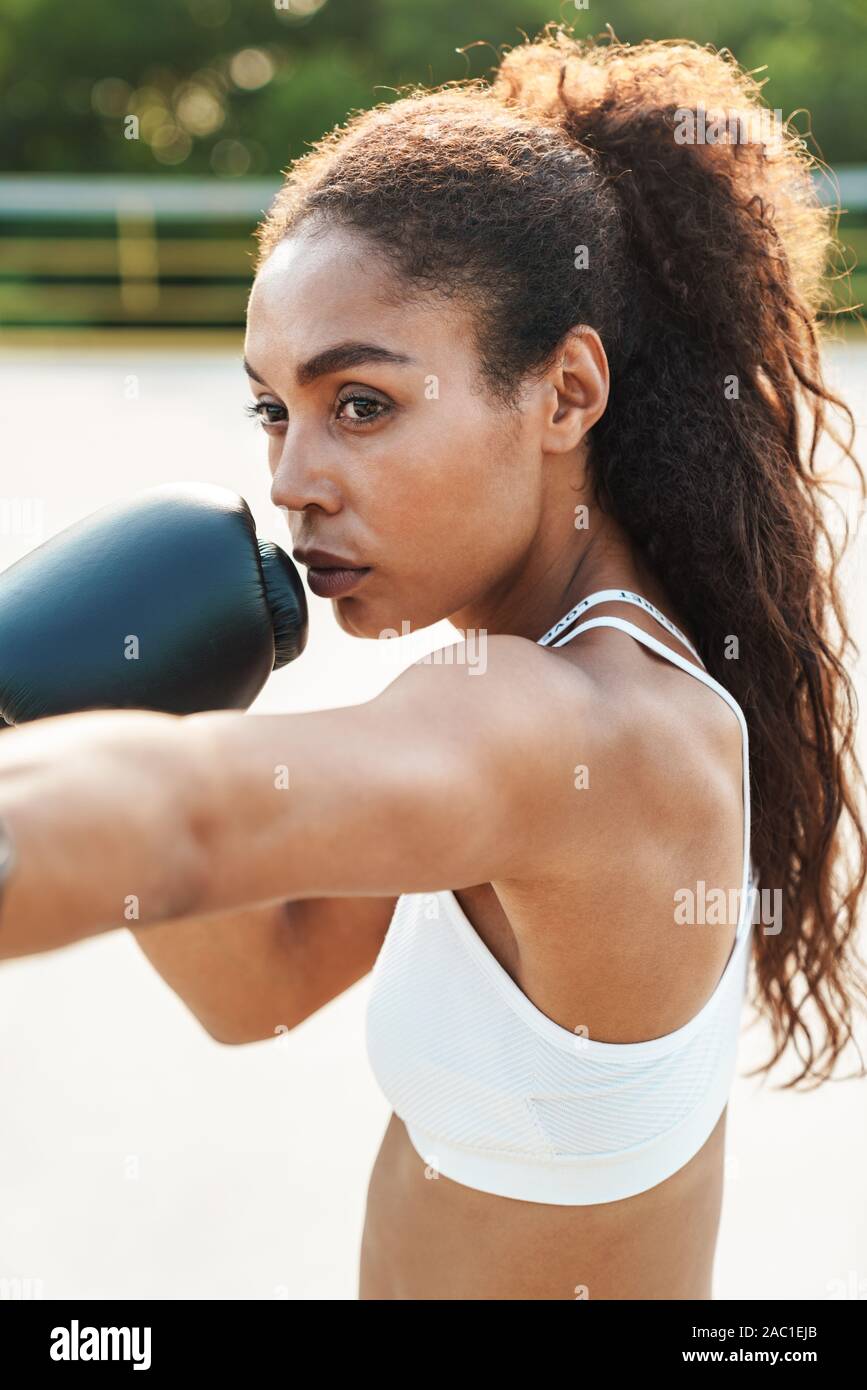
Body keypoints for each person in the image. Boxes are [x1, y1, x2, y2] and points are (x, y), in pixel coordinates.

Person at [0, 26, 865, 1301]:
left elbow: (176, 823)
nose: (293, 482)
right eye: (272, 410)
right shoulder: (568, 676)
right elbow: (269, 982)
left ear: (567, 394)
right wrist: (118, 697)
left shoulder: (563, 727)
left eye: (363, 405)